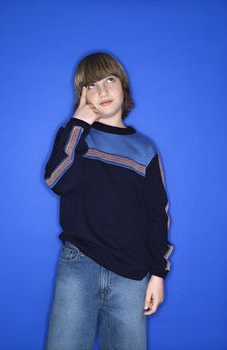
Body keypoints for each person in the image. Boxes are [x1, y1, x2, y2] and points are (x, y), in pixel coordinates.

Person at [44, 51, 174, 350]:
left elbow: (157, 213)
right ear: (82, 96)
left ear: (123, 87)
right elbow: (58, 182)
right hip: (79, 266)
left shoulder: (145, 149)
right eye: (91, 85)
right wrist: (78, 123)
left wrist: (158, 273)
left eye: (109, 80)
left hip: (132, 274)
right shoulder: (74, 136)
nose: (101, 91)